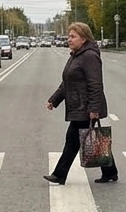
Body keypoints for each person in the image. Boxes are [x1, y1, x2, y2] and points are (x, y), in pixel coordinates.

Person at [45, 22, 118, 185]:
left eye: (73, 36)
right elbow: (67, 83)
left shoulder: (89, 56)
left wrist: (93, 108)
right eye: (69, 36)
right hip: (79, 106)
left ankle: (59, 174)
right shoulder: (76, 55)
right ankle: (110, 171)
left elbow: (95, 84)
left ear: (83, 38)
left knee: (73, 141)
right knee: (90, 139)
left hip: (85, 107)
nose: (69, 39)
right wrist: (54, 100)